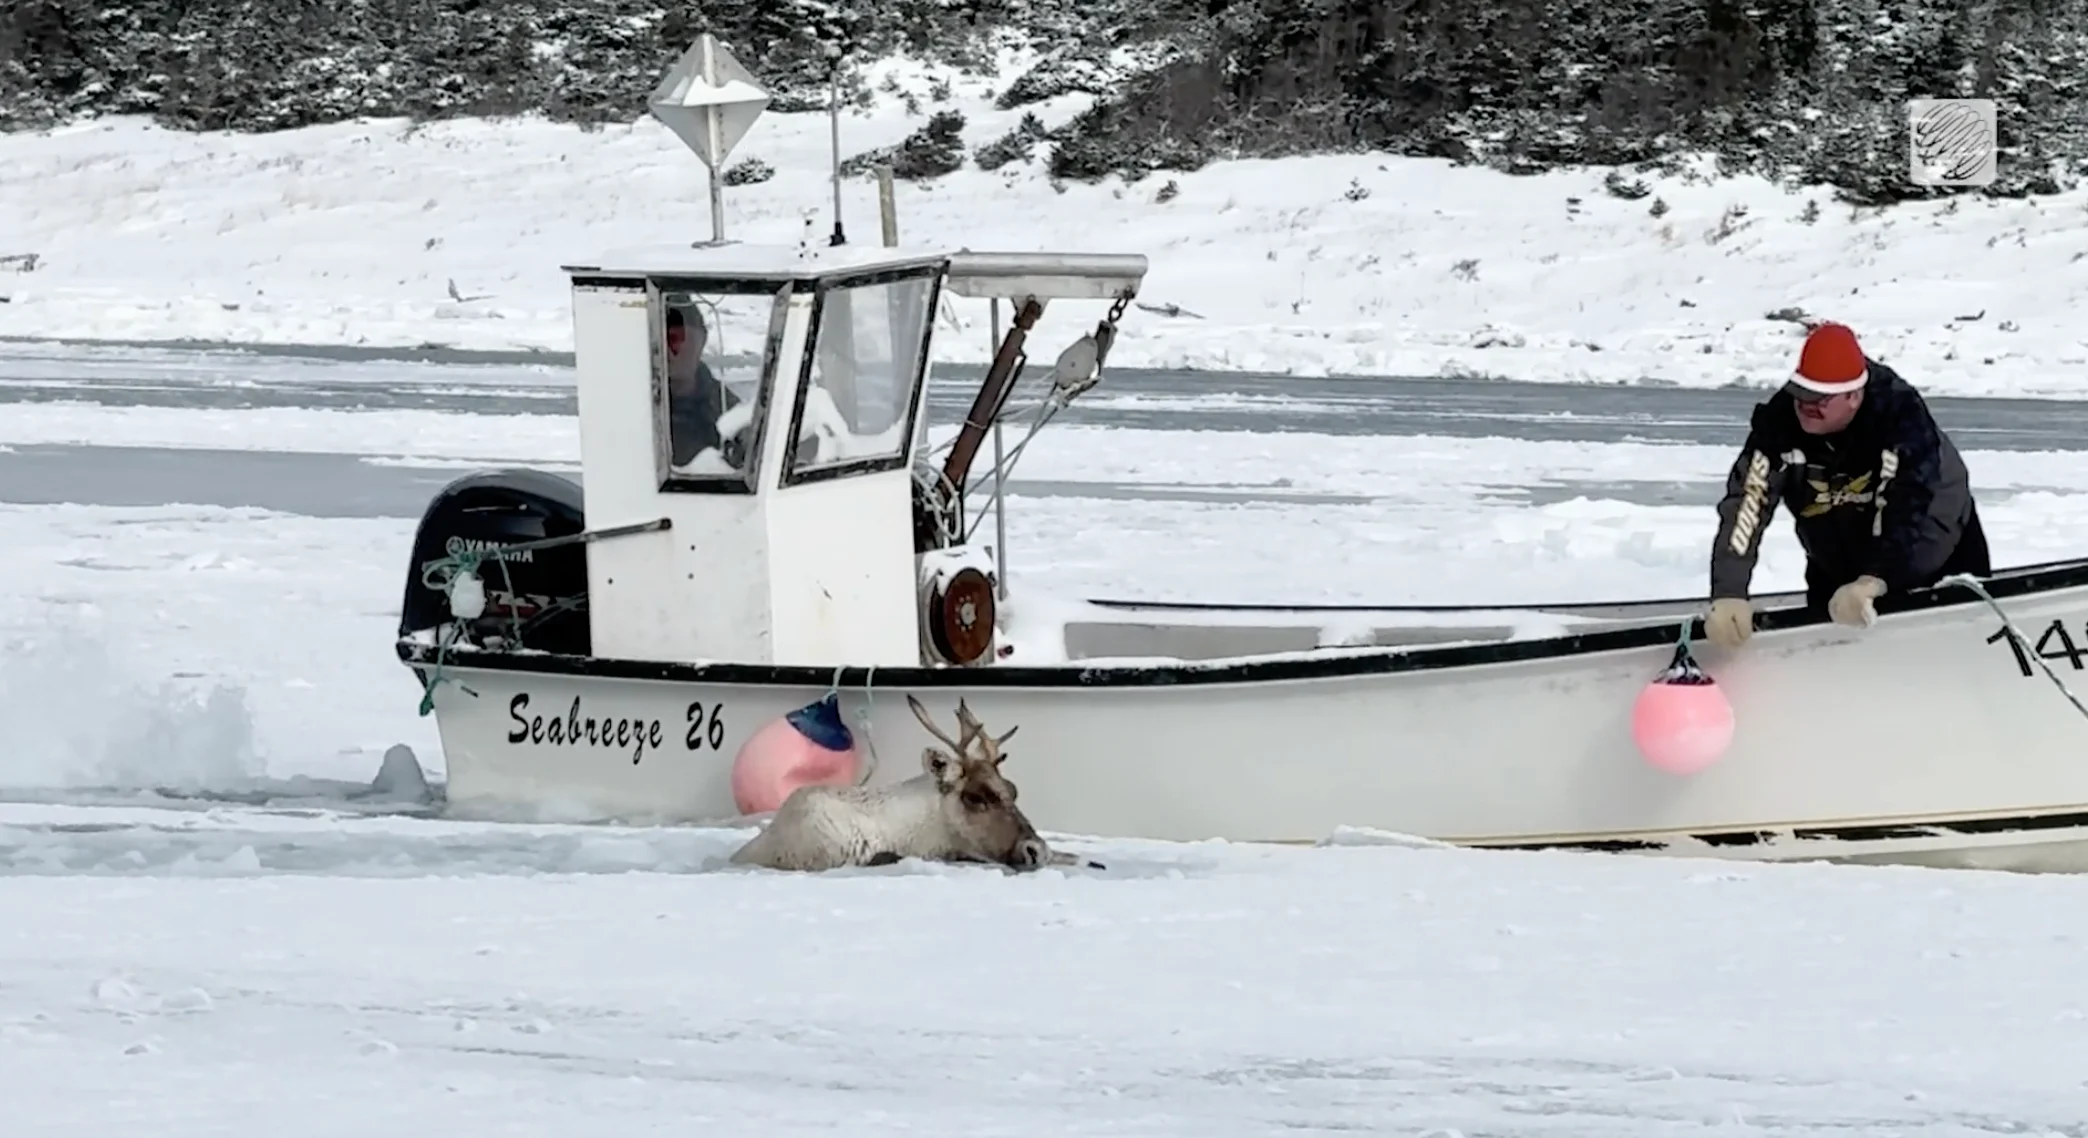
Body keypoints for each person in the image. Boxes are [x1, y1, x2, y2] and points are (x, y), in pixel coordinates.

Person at [1704, 321, 1990, 649]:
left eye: (1820, 399)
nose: (1806, 405)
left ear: (1853, 396)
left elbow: (1910, 504)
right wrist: (1729, 591)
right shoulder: (1779, 425)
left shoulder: (1899, 417)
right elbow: (1747, 503)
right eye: (1800, 393)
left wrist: (1875, 580)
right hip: (1835, 556)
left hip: (1936, 552)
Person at [664, 305, 743, 469]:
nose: (667, 350)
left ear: (702, 340)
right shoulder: (630, 408)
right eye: (659, 339)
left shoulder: (730, 414)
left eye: (676, 338)